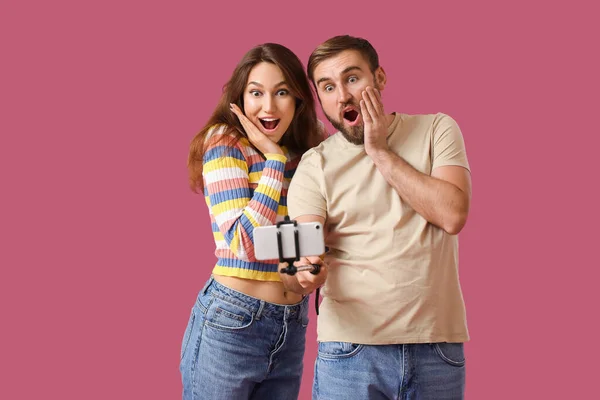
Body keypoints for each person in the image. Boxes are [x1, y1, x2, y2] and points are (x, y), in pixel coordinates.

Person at [287, 35, 472, 399]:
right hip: (351, 353)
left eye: (352, 78)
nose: (343, 95)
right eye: (328, 87)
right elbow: (298, 262)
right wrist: (304, 272)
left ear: (380, 78)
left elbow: (452, 215)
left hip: (437, 347)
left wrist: (381, 152)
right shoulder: (314, 165)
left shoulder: (437, 129)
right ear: (320, 98)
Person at [180, 43, 328, 400]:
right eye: (256, 93)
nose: (269, 106)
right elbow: (244, 242)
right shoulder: (225, 142)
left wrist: (309, 259)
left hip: (292, 324)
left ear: (298, 100)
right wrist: (273, 161)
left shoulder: (308, 152)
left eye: (282, 92)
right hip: (232, 319)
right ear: (240, 99)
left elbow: (313, 239)